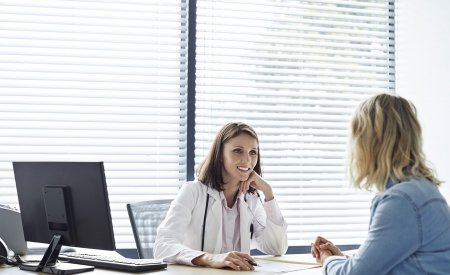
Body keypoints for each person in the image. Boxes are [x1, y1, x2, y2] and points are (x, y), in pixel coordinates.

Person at [311, 93, 450, 274]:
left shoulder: (401, 201)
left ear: (369, 143)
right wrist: (344, 259)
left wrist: (328, 260)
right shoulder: (422, 190)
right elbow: (398, 264)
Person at [154, 122, 288, 271]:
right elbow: (162, 245)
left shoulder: (250, 198)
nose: (247, 160)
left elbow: (277, 248)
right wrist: (209, 258)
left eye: (253, 152)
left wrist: (268, 193)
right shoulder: (192, 191)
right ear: (220, 156)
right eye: (238, 151)